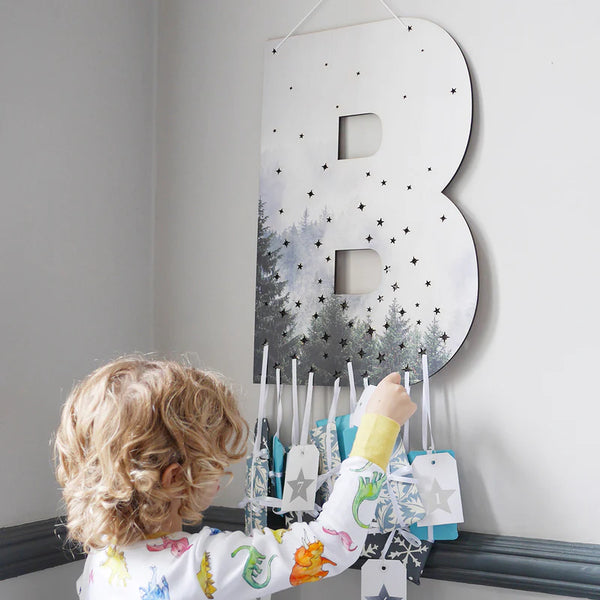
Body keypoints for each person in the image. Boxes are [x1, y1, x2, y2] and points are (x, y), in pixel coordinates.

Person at [54, 356, 416, 599]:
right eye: (215, 458)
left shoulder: (100, 564)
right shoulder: (200, 565)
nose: (225, 471)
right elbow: (331, 545)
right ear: (174, 478)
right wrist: (376, 434)